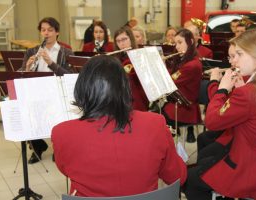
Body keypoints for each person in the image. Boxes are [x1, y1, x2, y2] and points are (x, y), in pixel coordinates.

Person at [51, 55, 187, 197]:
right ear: (125, 87)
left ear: (82, 88)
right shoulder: (156, 123)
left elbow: (66, 170)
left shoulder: (61, 133)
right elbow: (177, 176)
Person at [184, 28, 256, 200]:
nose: (234, 60)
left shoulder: (249, 93)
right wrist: (239, 91)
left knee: (190, 180)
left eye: (239, 54)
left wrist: (222, 89)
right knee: (205, 159)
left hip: (248, 170)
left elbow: (212, 122)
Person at [21, 17, 74, 164]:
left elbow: (70, 75)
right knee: (29, 117)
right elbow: (21, 73)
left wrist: (51, 63)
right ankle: (37, 147)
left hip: (57, 92)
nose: (46, 33)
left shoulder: (66, 52)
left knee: (58, 123)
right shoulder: (32, 51)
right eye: (43, 30)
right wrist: (27, 67)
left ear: (57, 32)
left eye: (50, 30)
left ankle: (58, 149)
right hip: (36, 91)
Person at [163, 29, 202, 142]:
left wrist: (160, 66)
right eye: (175, 43)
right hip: (175, 105)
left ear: (190, 42)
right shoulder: (185, 60)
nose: (177, 47)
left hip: (185, 110)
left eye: (180, 43)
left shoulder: (192, 65)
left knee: (156, 121)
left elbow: (170, 82)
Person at [114, 26, 149, 111]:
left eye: (124, 39)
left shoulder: (137, 56)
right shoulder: (118, 58)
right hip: (122, 98)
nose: (121, 44)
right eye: (118, 41)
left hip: (136, 100)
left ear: (131, 39)